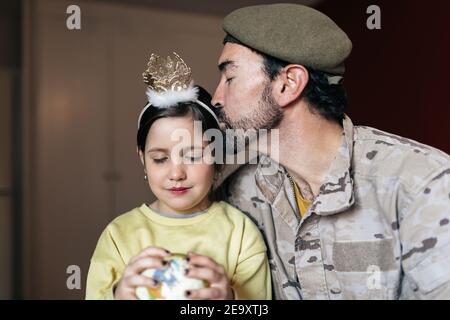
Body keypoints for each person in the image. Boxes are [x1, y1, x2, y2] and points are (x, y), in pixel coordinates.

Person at [211, 4, 450, 299]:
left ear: (288, 84)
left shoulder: (422, 183)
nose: (216, 98)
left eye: (229, 77)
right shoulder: (239, 195)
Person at [85, 53, 271, 300]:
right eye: (160, 159)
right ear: (142, 158)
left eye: (193, 157)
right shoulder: (118, 236)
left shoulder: (240, 234)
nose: (176, 173)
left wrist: (230, 299)